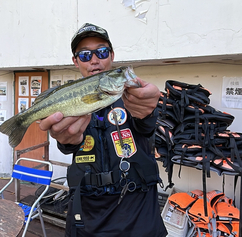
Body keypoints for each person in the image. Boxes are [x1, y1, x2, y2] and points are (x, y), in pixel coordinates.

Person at [39, 23, 167, 237]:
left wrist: (149, 112)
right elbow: (67, 145)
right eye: (85, 55)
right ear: (75, 61)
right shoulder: (71, 101)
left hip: (138, 212)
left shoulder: (134, 95)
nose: (94, 60)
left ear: (111, 55)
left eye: (101, 51)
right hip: (87, 214)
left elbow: (147, 127)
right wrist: (65, 140)